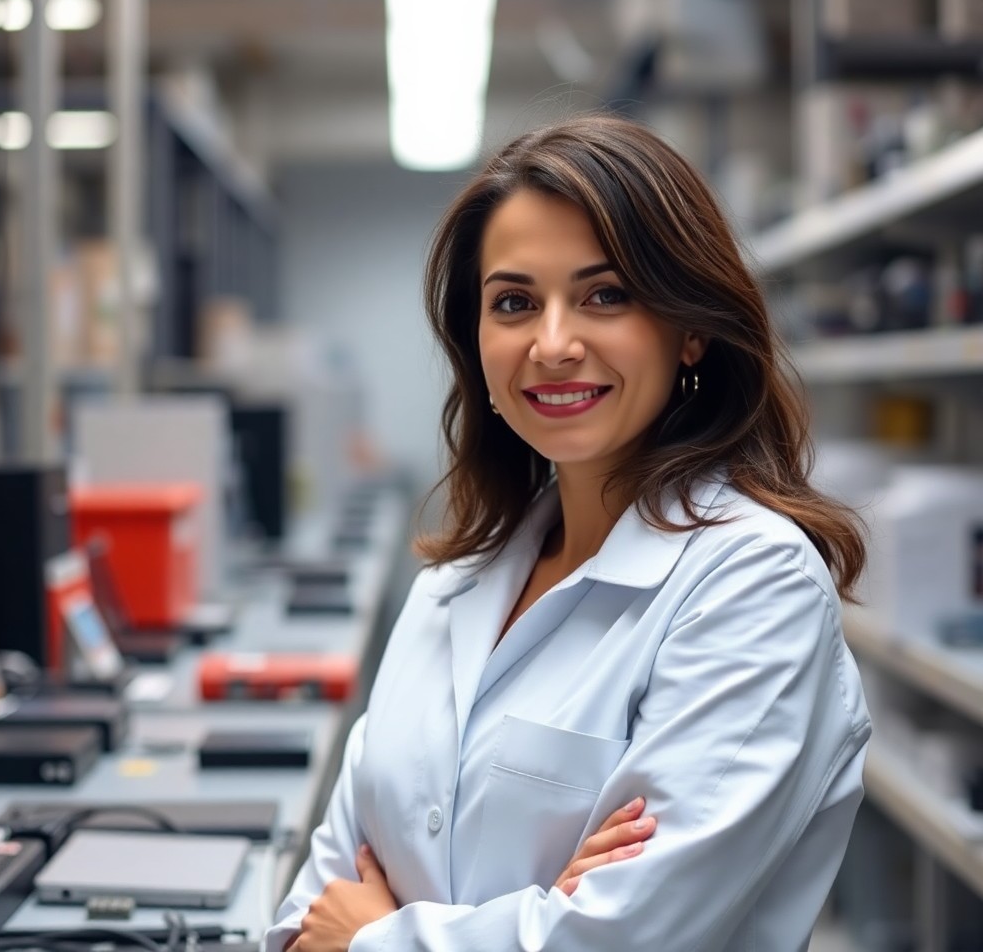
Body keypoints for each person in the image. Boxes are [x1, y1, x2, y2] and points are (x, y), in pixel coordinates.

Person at [266, 113, 871, 952]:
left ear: (691, 328)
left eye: (605, 295)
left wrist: (375, 938)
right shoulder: (452, 588)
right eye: (514, 303)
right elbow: (308, 914)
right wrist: (534, 915)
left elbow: (629, 938)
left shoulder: (754, 585)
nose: (552, 345)